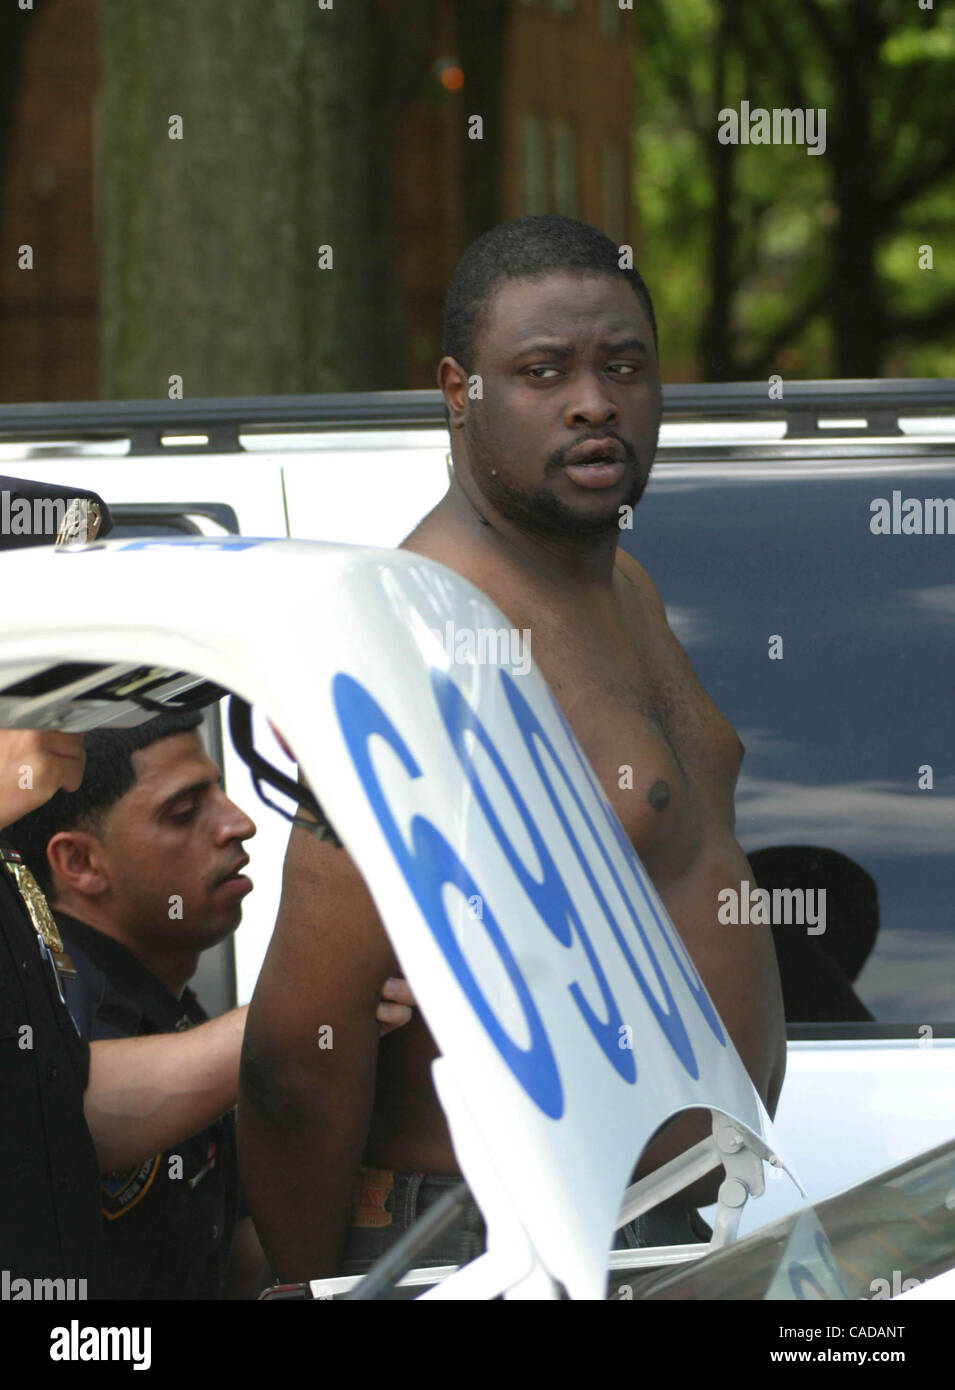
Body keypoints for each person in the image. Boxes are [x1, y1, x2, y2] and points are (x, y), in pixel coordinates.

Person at [238, 214, 787, 1282]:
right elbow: (294, 1057)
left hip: (662, 1229)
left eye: (622, 365)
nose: (593, 399)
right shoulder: (422, 636)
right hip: (483, 1241)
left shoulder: (621, 585)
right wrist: (325, 1288)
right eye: (543, 371)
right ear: (459, 391)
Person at [6, 710, 415, 1298]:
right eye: (184, 811)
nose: (240, 824)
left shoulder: (171, 1012)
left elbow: (229, 1259)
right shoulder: (65, 1016)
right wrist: (315, 1006)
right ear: (79, 863)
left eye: (221, 791)